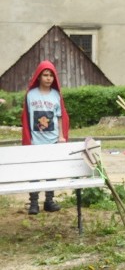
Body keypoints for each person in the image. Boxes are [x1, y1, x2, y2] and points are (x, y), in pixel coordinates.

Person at [21, 60, 70, 215]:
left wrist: (61, 136)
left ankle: (49, 201)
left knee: (51, 171)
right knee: (34, 172)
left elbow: (60, 116)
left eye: (51, 75)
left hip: (53, 140)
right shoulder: (30, 95)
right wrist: (28, 138)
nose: (48, 78)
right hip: (36, 141)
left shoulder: (56, 95)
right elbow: (26, 117)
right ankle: (34, 203)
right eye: (45, 75)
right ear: (39, 76)